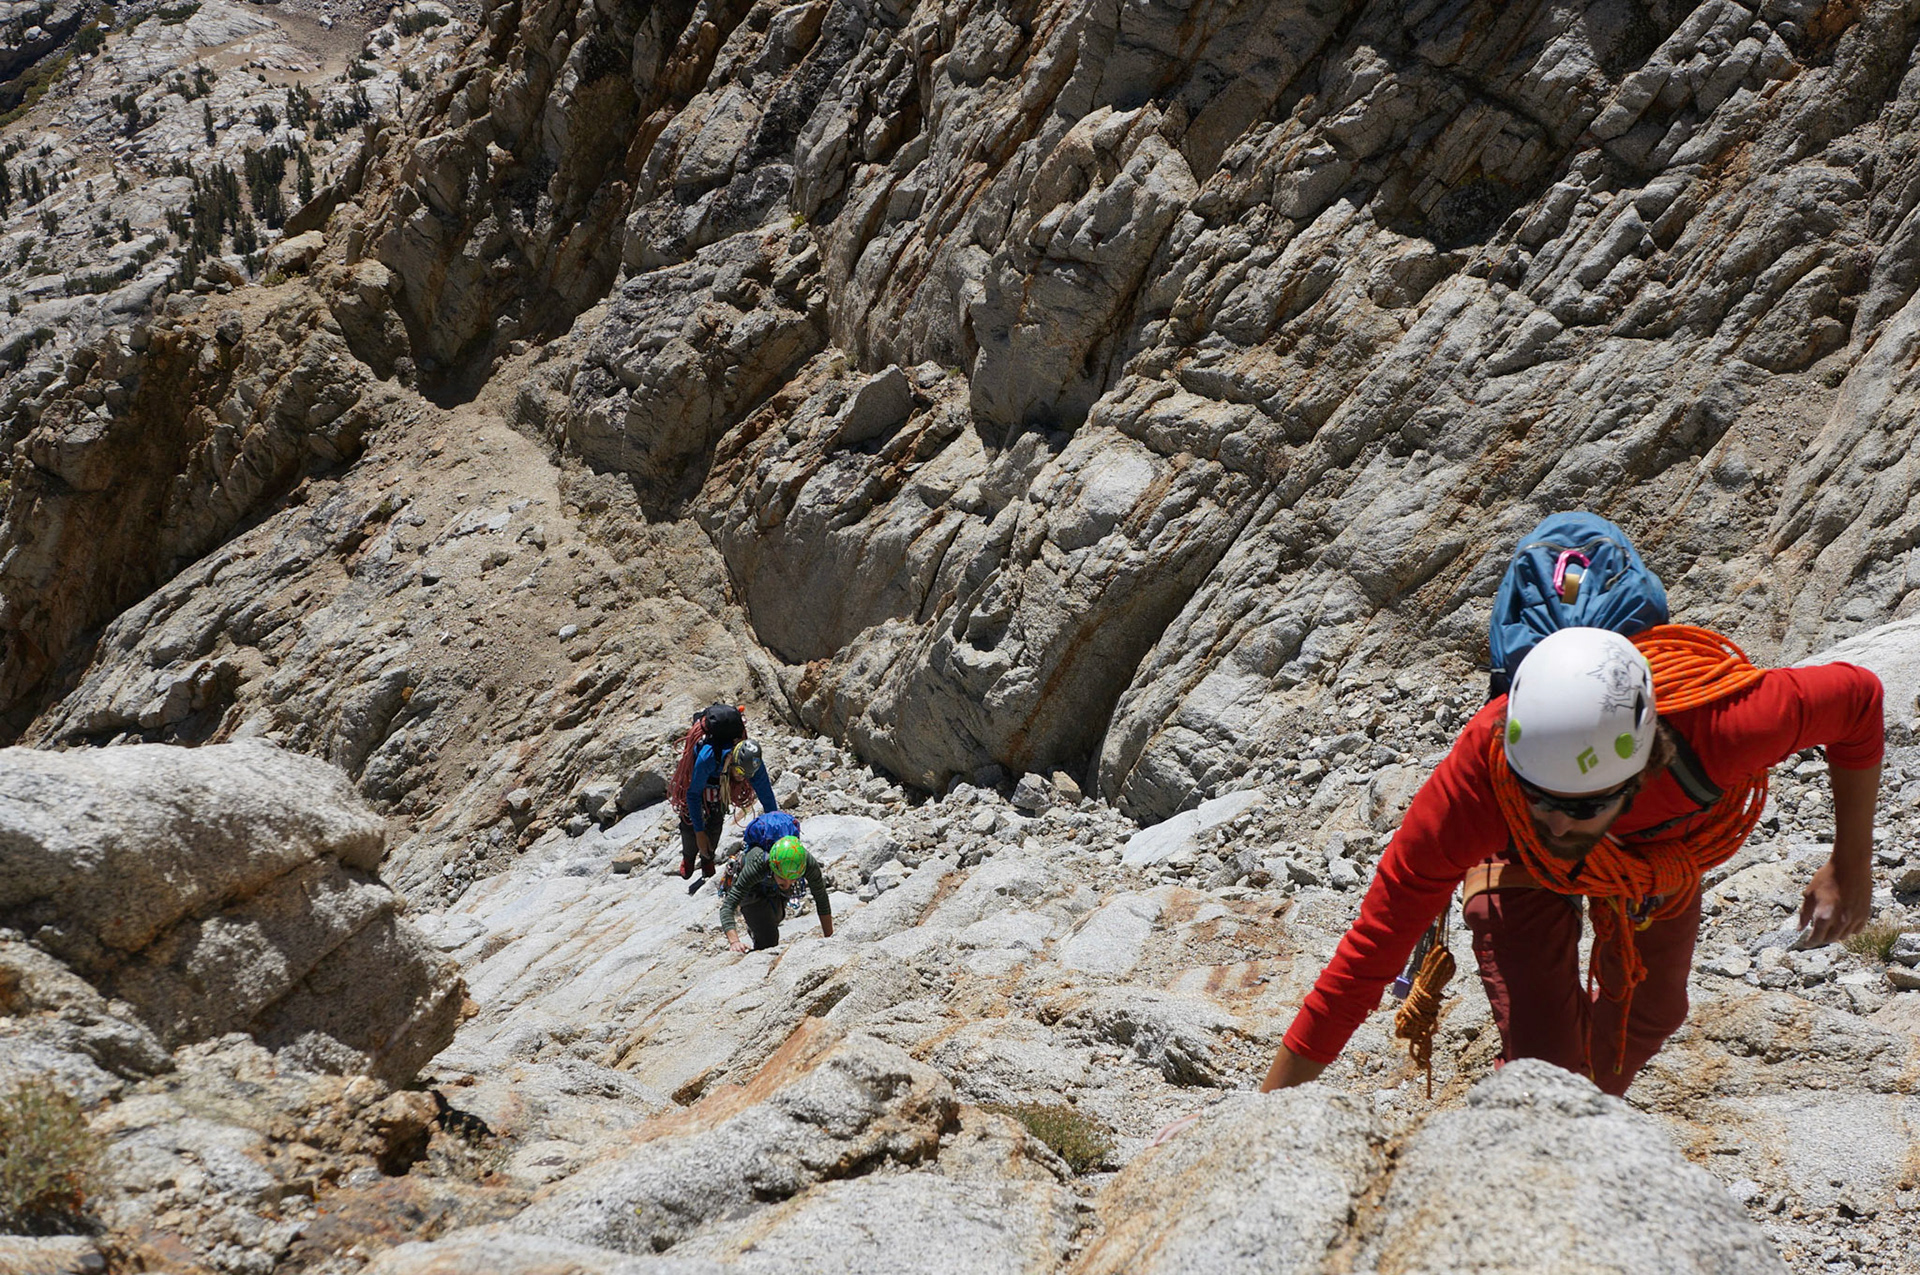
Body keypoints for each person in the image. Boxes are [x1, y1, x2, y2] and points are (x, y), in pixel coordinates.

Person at [1262, 625, 1883, 1098]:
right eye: (1541, 800)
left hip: (1653, 852)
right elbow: (1371, 952)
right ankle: (1547, 1120)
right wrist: (1260, 1121)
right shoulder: (1480, 783)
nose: (1557, 823)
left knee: (1652, 1012)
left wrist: (1850, 863)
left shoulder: (1722, 729)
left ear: (1645, 766)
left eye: (1582, 806)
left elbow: (1859, 701)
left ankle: (1571, 1125)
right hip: (1528, 857)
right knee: (1545, 1068)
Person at [676, 731, 779, 884]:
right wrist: (699, 832)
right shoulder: (708, 758)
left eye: (746, 775)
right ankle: (688, 857)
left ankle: (707, 859)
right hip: (703, 778)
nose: (742, 777)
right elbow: (693, 795)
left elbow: (767, 797)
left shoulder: (752, 764)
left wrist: (777, 831)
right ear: (731, 760)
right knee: (689, 822)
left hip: (722, 783)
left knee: (716, 821)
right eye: (738, 772)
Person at [719, 834, 833, 952]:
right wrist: (734, 942)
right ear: (773, 868)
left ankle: (758, 927)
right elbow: (727, 906)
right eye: (783, 878)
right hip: (752, 889)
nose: (788, 884)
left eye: (793, 879)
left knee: (776, 916)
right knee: (768, 939)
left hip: (773, 884)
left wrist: (830, 939)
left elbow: (821, 899)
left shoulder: (806, 863)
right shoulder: (757, 866)